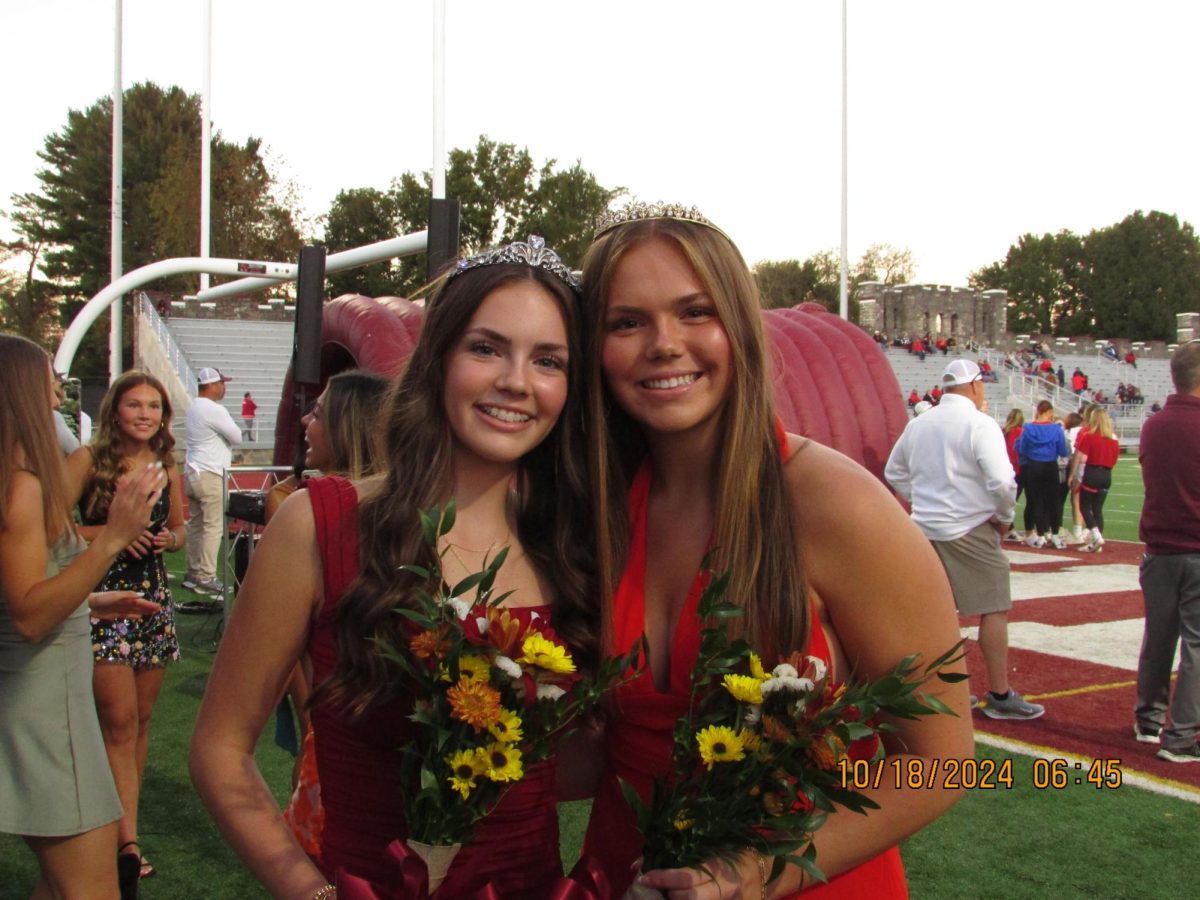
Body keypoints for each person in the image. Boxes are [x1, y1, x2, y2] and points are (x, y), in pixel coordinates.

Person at [581, 203, 972, 899]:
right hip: (619, 880)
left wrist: (760, 870)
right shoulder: (594, 509)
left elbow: (941, 764)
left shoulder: (836, 505)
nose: (663, 343)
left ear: (740, 327)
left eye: (695, 311)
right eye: (626, 321)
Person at [189, 237, 598, 898]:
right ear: (437, 358)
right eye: (486, 347)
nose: (516, 381)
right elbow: (218, 750)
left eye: (547, 360)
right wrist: (314, 893)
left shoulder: (578, 548)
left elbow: (574, 764)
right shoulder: (321, 525)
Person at [0, 333, 165, 900]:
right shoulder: (18, 489)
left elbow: (23, 592)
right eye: (47, 375)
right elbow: (26, 616)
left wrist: (93, 603)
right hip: (48, 715)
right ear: (22, 388)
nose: (56, 386)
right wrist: (112, 540)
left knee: (57, 886)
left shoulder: (17, 480)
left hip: (45, 705)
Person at [65, 371, 186, 886]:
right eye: (135, 405)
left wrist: (167, 541)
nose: (144, 414)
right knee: (117, 723)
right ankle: (126, 845)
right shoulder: (89, 461)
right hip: (103, 602)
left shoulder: (167, 465)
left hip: (153, 602)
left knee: (139, 724)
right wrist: (110, 535)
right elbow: (52, 526)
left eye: (154, 406)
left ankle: (122, 836)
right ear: (115, 410)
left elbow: (180, 530)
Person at [266, 368, 391, 859]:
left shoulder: (379, 520)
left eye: (318, 412)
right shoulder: (302, 511)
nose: (304, 420)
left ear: (350, 425)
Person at [886, 358, 1044, 724]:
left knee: (936, 612)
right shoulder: (979, 423)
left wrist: (922, 500)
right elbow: (1003, 481)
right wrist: (1003, 517)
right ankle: (1001, 693)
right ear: (974, 386)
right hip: (968, 527)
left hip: (924, 528)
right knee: (994, 607)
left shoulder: (920, 424)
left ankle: (942, 688)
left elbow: (894, 470)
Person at [1135, 341, 1200, 762]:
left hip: (1160, 547)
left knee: (1158, 638)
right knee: (1196, 646)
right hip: (1197, 547)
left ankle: (1149, 719)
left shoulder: (1153, 425)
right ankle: (1182, 737)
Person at [182, 366, 241, 596]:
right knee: (213, 526)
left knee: (196, 524)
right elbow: (236, 436)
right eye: (222, 383)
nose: (224, 387)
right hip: (210, 473)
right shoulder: (214, 409)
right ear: (213, 385)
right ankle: (207, 576)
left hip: (193, 471)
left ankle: (193, 572)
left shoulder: (194, 407)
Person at [1014, 400, 1069, 548]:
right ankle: (1055, 534)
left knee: (1036, 501)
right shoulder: (1056, 429)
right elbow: (1063, 450)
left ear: (1038, 411)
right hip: (1050, 465)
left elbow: (1021, 448)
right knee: (1053, 501)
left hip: (1033, 465)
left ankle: (1040, 535)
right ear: (1049, 412)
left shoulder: (1028, 428)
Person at [1070, 407, 1118, 553]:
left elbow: (1080, 457)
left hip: (1092, 472)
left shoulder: (1089, 436)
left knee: (1085, 506)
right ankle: (1096, 541)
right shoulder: (1113, 439)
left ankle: (1096, 536)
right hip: (1107, 475)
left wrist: (1072, 475)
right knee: (1097, 508)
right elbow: (1115, 459)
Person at [1001, 408, 1030, 543]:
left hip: (1004, 468)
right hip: (1017, 469)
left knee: (1006, 500)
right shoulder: (1020, 432)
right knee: (1013, 500)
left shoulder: (1003, 431)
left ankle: (1007, 527)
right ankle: (1009, 528)